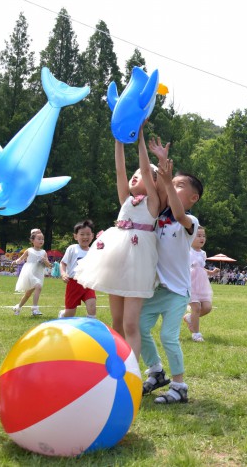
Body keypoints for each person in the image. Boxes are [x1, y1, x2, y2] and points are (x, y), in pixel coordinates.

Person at [76, 126, 162, 357]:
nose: (137, 174)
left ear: (153, 181)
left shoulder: (153, 202)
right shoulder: (127, 199)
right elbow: (119, 169)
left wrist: (140, 135)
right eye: (135, 173)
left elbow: (145, 167)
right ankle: (116, 364)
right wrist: (119, 139)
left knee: (130, 323)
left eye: (144, 174)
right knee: (116, 321)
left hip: (138, 263)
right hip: (116, 259)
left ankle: (131, 370)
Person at [139, 138, 201, 404]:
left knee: (167, 336)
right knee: (139, 327)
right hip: (156, 289)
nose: (172, 188)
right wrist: (162, 160)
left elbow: (178, 215)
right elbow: (153, 181)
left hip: (177, 291)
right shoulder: (157, 215)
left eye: (179, 186)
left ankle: (179, 386)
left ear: (193, 198)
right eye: (172, 184)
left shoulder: (190, 222)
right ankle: (156, 371)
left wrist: (166, 181)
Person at [184, 227, 220, 342]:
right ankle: (196, 333)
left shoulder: (203, 253)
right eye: (198, 235)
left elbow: (200, 268)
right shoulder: (187, 250)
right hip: (189, 282)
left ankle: (190, 318)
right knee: (196, 308)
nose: (202, 238)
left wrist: (211, 272)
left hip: (202, 284)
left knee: (207, 307)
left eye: (203, 236)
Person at [58, 219, 96, 319]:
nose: (85, 237)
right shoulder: (72, 249)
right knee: (70, 314)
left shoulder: (94, 251)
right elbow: (62, 263)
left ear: (92, 236)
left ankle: (90, 327)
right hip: (73, 283)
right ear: (75, 236)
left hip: (88, 283)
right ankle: (63, 314)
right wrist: (63, 273)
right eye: (82, 234)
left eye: (88, 234)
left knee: (92, 307)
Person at [12, 229, 51, 316]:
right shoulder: (29, 250)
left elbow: (48, 265)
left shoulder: (44, 252)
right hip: (29, 272)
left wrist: (45, 261)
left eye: (42, 239)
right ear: (32, 240)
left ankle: (17, 307)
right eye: (39, 239)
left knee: (28, 294)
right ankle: (35, 308)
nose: (41, 241)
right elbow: (20, 259)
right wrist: (15, 262)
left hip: (38, 273)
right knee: (38, 286)